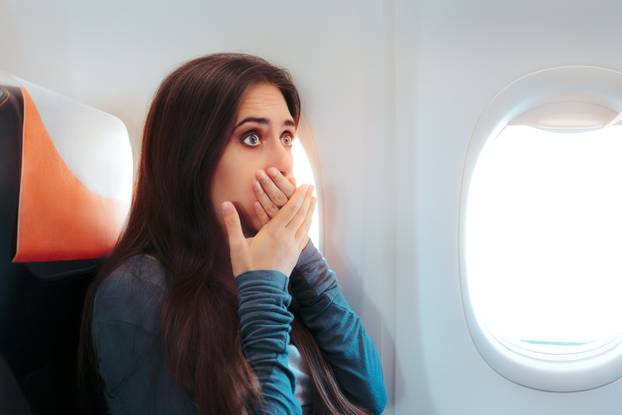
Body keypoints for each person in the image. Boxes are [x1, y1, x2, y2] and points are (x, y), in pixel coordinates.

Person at [76, 52, 387, 415]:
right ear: (192, 159)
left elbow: (368, 395)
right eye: (252, 138)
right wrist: (265, 291)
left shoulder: (270, 265)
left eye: (286, 137)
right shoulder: (137, 289)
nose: (284, 162)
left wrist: (303, 255)